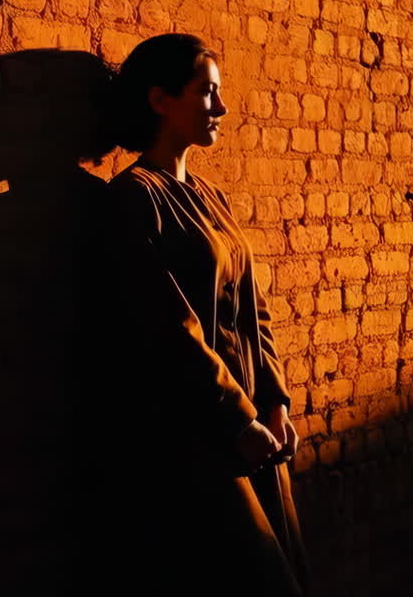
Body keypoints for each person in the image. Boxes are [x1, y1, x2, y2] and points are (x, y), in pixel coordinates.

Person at [100, 33, 310, 596]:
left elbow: (255, 310)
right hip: (195, 435)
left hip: (255, 429)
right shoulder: (133, 198)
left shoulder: (212, 197)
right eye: (206, 92)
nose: (221, 107)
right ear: (160, 100)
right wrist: (235, 419)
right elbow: (167, 329)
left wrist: (274, 402)